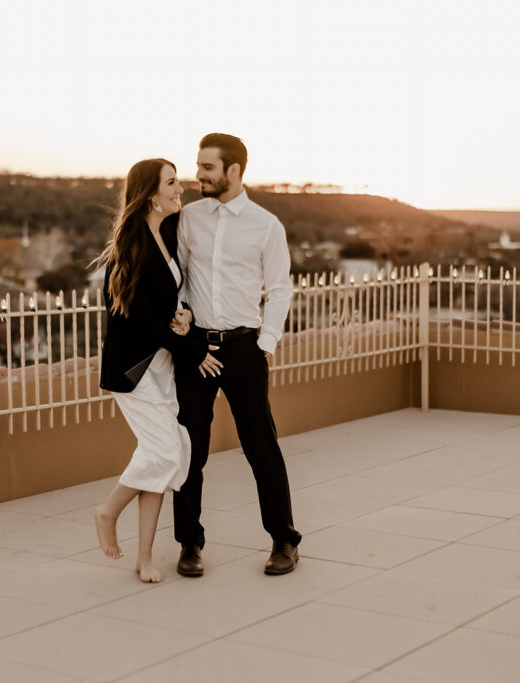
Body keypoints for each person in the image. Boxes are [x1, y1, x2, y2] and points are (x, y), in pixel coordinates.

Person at [173, 133, 302, 576]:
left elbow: (281, 289)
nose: (199, 175)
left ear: (234, 171)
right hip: (196, 351)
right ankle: (189, 543)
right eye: (198, 165)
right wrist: (187, 334)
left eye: (207, 167)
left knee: (261, 446)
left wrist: (264, 345)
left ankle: (284, 540)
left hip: (245, 348)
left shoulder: (266, 225)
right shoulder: (188, 217)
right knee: (189, 448)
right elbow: (181, 279)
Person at [93, 158, 218, 583]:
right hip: (136, 372)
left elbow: (160, 307)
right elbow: (138, 320)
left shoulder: (163, 235)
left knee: (160, 459)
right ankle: (108, 511)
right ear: (151, 195)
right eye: (171, 183)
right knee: (166, 453)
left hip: (160, 367)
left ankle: (144, 557)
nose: (179, 188)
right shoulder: (133, 247)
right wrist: (193, 347)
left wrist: (180, 315)